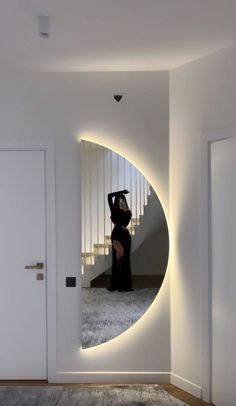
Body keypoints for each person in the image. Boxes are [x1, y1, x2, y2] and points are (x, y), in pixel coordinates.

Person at [107, 189, 133, 292]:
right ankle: (115, 284)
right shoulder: (113, 208)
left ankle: (124, 286)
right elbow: (109, 196)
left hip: (125, 235)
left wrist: (125, 207)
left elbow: (127, 220)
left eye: (122, 200)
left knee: (125, 260)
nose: (120, 201)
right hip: (116, 235)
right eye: (118, 200)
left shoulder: (127, 211)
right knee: (118, 256)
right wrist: (120, 192)